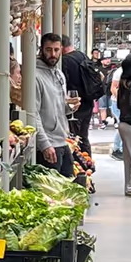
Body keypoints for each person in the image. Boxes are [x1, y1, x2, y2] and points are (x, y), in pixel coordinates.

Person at [35, 33, 79, 177]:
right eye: (48, 50)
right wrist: (44, 144)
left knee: (68, 187)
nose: (52, 54)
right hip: (48, 145)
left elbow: (59, 107)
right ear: (41, 50)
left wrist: (70, 107)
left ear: (61, 50)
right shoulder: (35, 76)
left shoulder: (59, 74)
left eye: (56, 50)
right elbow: (33, 113)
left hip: (62, 141)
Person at [61, 36, 99, 156]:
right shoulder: (82, 55)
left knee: (75, 137)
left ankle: (79, 164)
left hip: (75, 104)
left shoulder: (65, 61)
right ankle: (88, 163)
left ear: (61, 47)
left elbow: (63, 83)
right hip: (88, 101)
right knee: (84, 135)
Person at [114, 55, 131, 195]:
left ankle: (129, 187)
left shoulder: (123, 82)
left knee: (128, 158)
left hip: (124, 123)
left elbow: (120, 105)